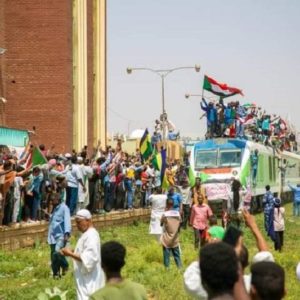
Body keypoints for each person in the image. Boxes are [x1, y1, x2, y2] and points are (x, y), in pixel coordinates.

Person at [61, 209, 104, 300]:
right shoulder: (87, 234)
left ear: (88, 220)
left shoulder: (91, 235)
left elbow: (89, 258)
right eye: (76, 223)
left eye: (79, 222)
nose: (77, 226)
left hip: (90, 279)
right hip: (84, 278)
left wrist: (70, 254)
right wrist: (71, 251)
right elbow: (84, 251)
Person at [47, 192, 71, 278]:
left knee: (57, 253)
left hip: (60, 235)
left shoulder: (64, 208)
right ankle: (56, 274)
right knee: (53, 256)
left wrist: (67, 233)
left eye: (52, 200)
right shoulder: (54, 209)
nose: (51, 202)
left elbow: (67, 221)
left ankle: (65, 265)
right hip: (52, 236)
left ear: (58, 200)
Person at [160, 198, 182, 269]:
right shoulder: (178, 214)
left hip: (166, 238)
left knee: (166, 255)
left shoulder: (165, 214)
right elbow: (180, 224)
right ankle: (180, 268)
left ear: (166, 204)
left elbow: (161, 224)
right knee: (177, 255)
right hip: (175, 238)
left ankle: (167, 268)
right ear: (173, 204)